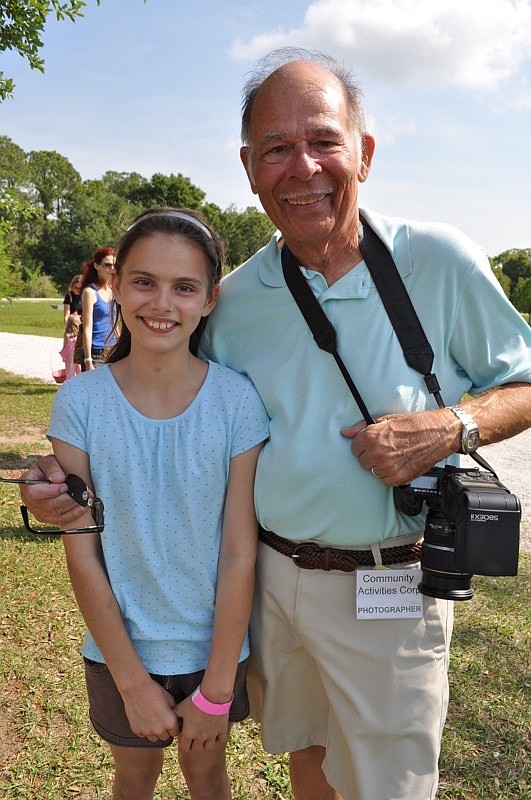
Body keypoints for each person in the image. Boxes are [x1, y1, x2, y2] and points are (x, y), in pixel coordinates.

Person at [19, 48, 531, 800]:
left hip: (387, 583)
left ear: (363, 152)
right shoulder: (235, 297)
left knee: (388, 784)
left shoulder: (435, 259)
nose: (303, 167)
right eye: (276, 149)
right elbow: (158, 410)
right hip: (270, 581)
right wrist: (56, 491)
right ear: (249, 167)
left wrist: (450, 425)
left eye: (323, 141)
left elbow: (521, 380)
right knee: (308, 764)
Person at [43, 208, 269, 799]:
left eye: (184, 287)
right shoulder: (82, 403)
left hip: (214, 651)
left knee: (206, 776)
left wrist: (218, 688)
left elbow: (240, 552)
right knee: (134, 777)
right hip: (120, 651)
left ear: (210, 299)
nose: (161, 303)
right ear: (116, 287)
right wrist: (132, 681)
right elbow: (82, 552)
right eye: (144, 281)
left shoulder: (237, 401)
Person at [79, 247, 117, 370]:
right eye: (107, 265)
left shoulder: (114, 290)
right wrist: (88, 359)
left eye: (114, 265)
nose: (111, 269)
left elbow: (116, 323)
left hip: (113, 349)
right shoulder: (90, 292)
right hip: (96, 352)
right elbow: (87, 327)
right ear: (96, 266)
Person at [59, 313, 82, 380]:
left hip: (70, 355)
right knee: (79, 369)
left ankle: (70, 382)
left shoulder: (67, 335)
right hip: (78, 354)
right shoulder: (79, 334)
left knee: (69, 370)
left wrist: (64, 356)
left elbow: (65, 347)